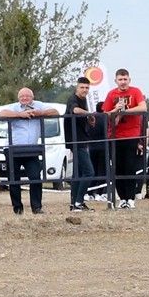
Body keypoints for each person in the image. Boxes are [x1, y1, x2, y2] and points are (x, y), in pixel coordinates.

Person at [0, 87, 59, 214]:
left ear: (32, 97)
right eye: (22, 96)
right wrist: (20, 115)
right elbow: (1, 114)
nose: (24, 98)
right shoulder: (14, 107)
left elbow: (55, 112)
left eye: (27, 96)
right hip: (13, 149)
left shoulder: (39, 105)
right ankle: (18, 208)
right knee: (14, 180)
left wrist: (40, 113)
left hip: (31, 149)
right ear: (18, 98)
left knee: (35, 177)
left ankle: (37, 207)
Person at [102, 68, 148, 209]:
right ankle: (122, 198)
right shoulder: (111, 94)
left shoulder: (135, 92)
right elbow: (105, 114)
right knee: (117, 168)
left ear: (129, 80)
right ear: (115, 81)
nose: (123, 82)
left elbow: (143, 107)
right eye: (120, 79)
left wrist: (125, 111)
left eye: (125, 79)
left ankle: (130, 197)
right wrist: (116, 110)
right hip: (114, 136)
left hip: (131, 135)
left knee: (130, 166)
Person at [65, 76, 96, 212]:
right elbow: (75, 110)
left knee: (78, 173)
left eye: (87, 88)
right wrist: (90, 114)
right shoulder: (74, 99)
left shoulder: (83, 100)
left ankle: (75, 203)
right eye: (82, 87)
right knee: (89, 172)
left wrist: (88, 118)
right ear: (77, 88)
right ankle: (78, 202)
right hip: (76, 141)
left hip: (81, 140)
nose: (85, 90)